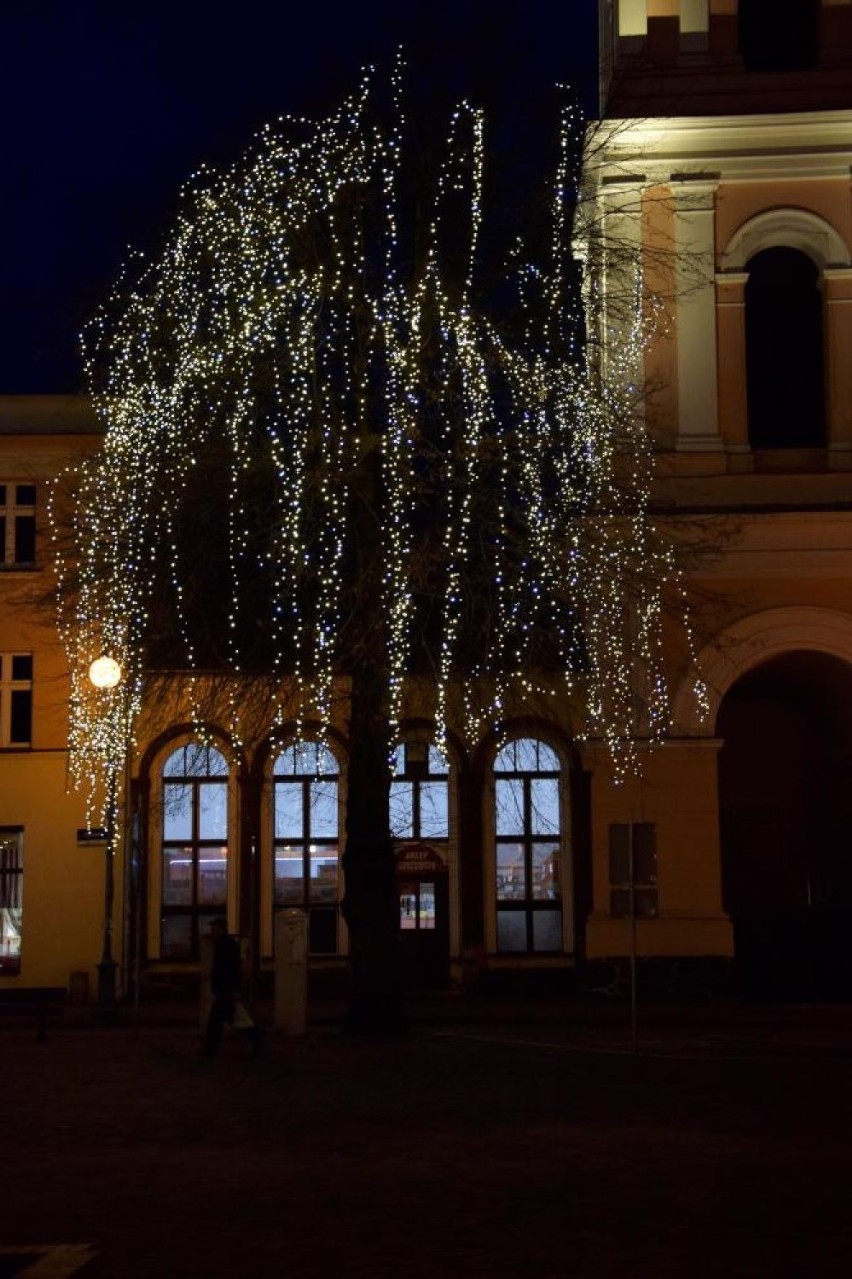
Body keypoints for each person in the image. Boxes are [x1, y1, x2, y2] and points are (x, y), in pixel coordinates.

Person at [202, 917, 262, 1056]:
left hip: (225, 989)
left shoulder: (225, 945)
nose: (212, 931)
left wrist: (232, 988)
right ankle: (254, 1035)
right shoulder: (226, 944)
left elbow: (229, 969)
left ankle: (211, 1048)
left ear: (220, 929)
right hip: (225, 989)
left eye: (214, 928)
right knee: (232, 1018)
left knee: (219, 1020)